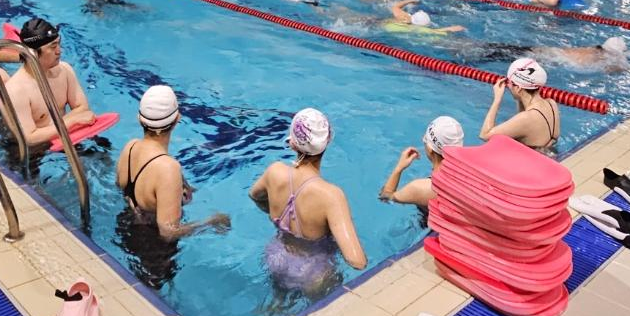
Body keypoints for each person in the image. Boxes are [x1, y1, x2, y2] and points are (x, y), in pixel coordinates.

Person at [249, 108, 367, 296]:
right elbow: (357, 261)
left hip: (276, 257)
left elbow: (255, 196)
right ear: (327, 140)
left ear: (292, 143)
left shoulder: (274, 172)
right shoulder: (330, 196)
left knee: (277, 305)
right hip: (314, 273)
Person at [116, 85, 230, 241]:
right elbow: (168, 233)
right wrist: (211, 223)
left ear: (139, 119)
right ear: (177, 120)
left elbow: (123, 190)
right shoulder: (168, 168)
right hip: (151, 248)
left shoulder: (130, 147)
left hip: (124, 231)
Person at [4, 18, 96, 147]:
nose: (59, 51)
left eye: (58, 44)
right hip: (35, 151)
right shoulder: (15, 91)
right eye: (53, 47)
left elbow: (83, 108)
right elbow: (29, 138)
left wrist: (55, 128)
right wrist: (72, 121)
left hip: (64, 137)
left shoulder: (65, 70)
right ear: (33, 53)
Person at [379, 117, 464, 213]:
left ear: (430, 149)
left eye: (425, 140)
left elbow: (385, 197)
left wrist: (399, 168)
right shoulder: (468, 175)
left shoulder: (421, 188)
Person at [479, 58, 559, 153]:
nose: (508, 86)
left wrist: (497, 99)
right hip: (552, 154)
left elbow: (484, 135)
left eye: (509, 83)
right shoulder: (551, 103)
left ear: (518, 88)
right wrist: (519, 95)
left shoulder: (526, 118)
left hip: (531, 160)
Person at [386, 0, 464, 33]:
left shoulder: (403, 18)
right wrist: (450, 28)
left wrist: (410, 0)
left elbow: (395, 7)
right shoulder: (418, 30)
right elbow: (435, 31)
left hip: (383, 23)